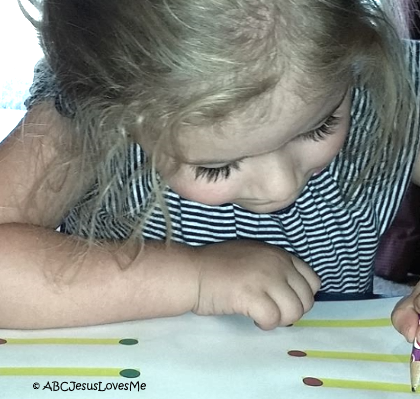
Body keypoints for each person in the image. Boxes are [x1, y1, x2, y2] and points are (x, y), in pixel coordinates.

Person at [0, 0, 419, 339]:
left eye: (321, 125)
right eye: (217, 167)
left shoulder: (385, 82)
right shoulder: (86, 114)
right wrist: (194, 279)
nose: (280, 186)